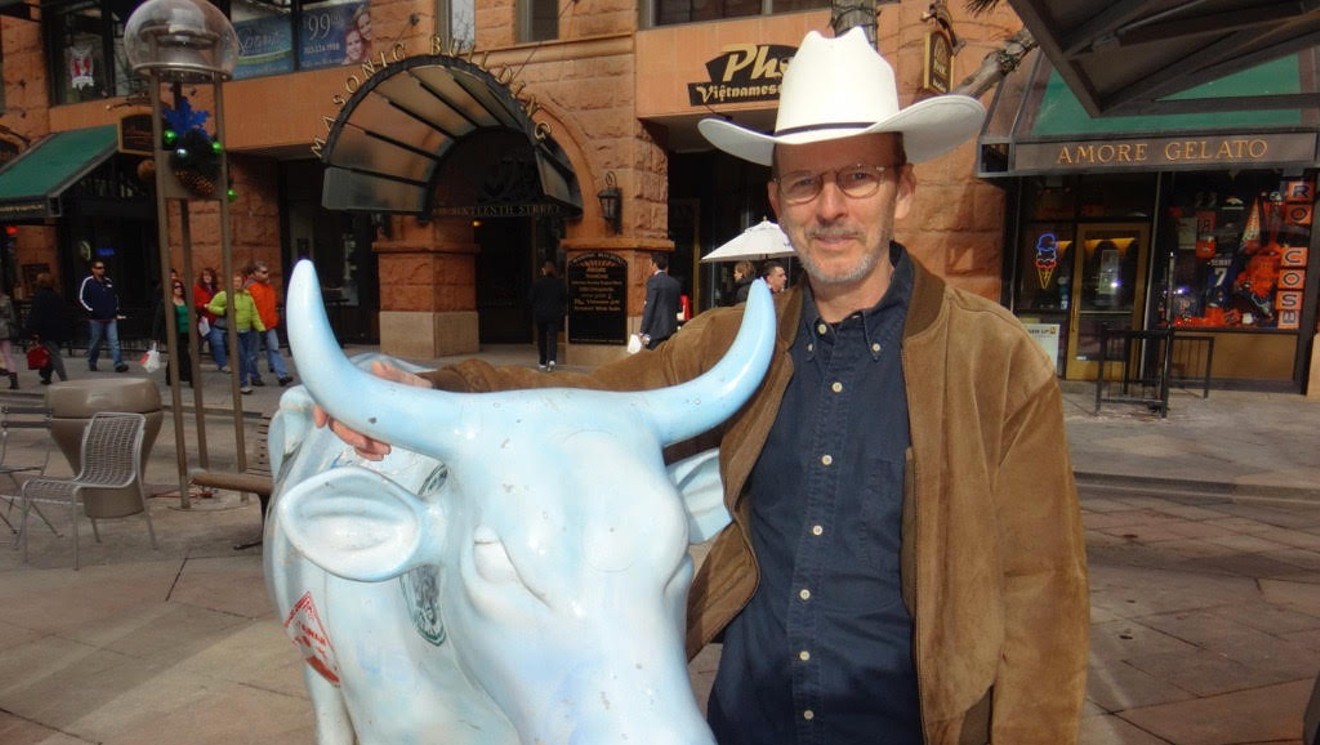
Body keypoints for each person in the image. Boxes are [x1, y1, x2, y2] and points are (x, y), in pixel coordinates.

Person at [318, 28, 1087, 744]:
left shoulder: (997, 362)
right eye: (806, 182)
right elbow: (590, 402)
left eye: (858, 176)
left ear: (902, 189)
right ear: (778, 203)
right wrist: (429, 381)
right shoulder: (732, 346)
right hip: (751, 717)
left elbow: (1042, 597)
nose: (830, 207)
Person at [206, 271, 265, 394]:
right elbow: (211, 306)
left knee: (246, 357)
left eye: (239, 281)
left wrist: (261, 328)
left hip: (246, 331)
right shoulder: (223, 295)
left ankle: (242, 381)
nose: (236, 284)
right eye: (234, 281)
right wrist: (224, 310)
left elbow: (254, 314)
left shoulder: (247, 296)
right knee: (240, 357)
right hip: (232, 332)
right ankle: (242, 383)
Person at [245, 260, 294, 386]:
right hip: (256, 325)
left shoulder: (266, 287)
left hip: (268, 323)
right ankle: (255, 376)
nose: (266, 275)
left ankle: (281, 375)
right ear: (254, 273)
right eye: (263, 272)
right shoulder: (250, 287)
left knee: (273, 349)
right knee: (254, 353)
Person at [78, 260, 129, 373]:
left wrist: (115, 309)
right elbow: (82, 298)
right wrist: (92, 310)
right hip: (96, 318)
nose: (102, 270)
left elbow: (115, 297)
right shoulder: (88, 282)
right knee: (95, 342)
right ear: (93, 269)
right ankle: (92, 361)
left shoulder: (108, 281)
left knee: (114, 341)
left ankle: (118, 363)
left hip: (110, 317)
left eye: (103, 267)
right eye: (99, 268)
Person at [23, 272, 69, 385]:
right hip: (58, 329)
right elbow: (63, 312)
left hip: (45, 330)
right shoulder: (56, 296)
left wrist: (31, 330)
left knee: (54, 354)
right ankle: (46, 376)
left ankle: (63, 379)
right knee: (50, 353)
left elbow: (35, 315)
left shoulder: (39, 296)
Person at [527, 260, 567, 371]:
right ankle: (552, 359)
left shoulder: (538, 283)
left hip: (540, 315)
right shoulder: (559, 283)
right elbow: (564, 298)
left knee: (541, 337)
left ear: (544, 270)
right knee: (553, 337)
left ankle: (543, 361)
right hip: (554, 314)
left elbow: (531, 298)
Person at [639, 252, 680, 349]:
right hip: (672, 331)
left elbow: (650, 307)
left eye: (650, 264)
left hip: (655, 332)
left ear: (654, 264)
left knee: (653, 361)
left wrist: (642, 330)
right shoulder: (675, 283)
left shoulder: (653, 281)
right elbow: (679, 307)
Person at [194, 267, 228, 372]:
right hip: (202, 320)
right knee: (197, 345)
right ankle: (193, 365)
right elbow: (193, 303)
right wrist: (203, 305)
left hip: (213, 321)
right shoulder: (197, 288)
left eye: (209, 275)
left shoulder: (216, 290)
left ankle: (222, 365)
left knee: (218, 342)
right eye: (205, 275)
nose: (207, 277)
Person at [0, 287, 18, 389]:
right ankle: (14, 381)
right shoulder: (6, 300)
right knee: (8, 356)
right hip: (5, 328)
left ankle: (3, 368)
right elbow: (12, 316)